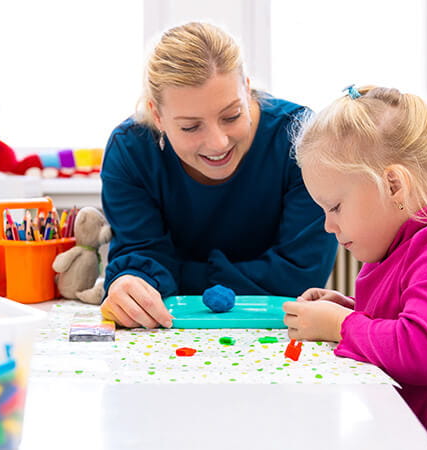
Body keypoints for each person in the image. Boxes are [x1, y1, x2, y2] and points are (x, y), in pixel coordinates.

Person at [283, 85, 427, 449]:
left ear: (393, 185)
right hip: (394, 425)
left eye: (334, 207)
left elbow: (424, 353)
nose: (327, 226)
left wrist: (340, 325)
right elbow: (403, 315)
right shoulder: (401, 239)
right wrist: (349, 308)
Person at [99, 22, 338, 329]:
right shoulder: (130, 151)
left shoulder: (301, 138)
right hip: (170, 333)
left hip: (280, 330)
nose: (218, 143)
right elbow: (139, 257)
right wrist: (130, 284)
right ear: (157, 116)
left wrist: (175, 275)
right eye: (190, 126)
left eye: (232, 115)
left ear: (247, 88)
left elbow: (300, 276)